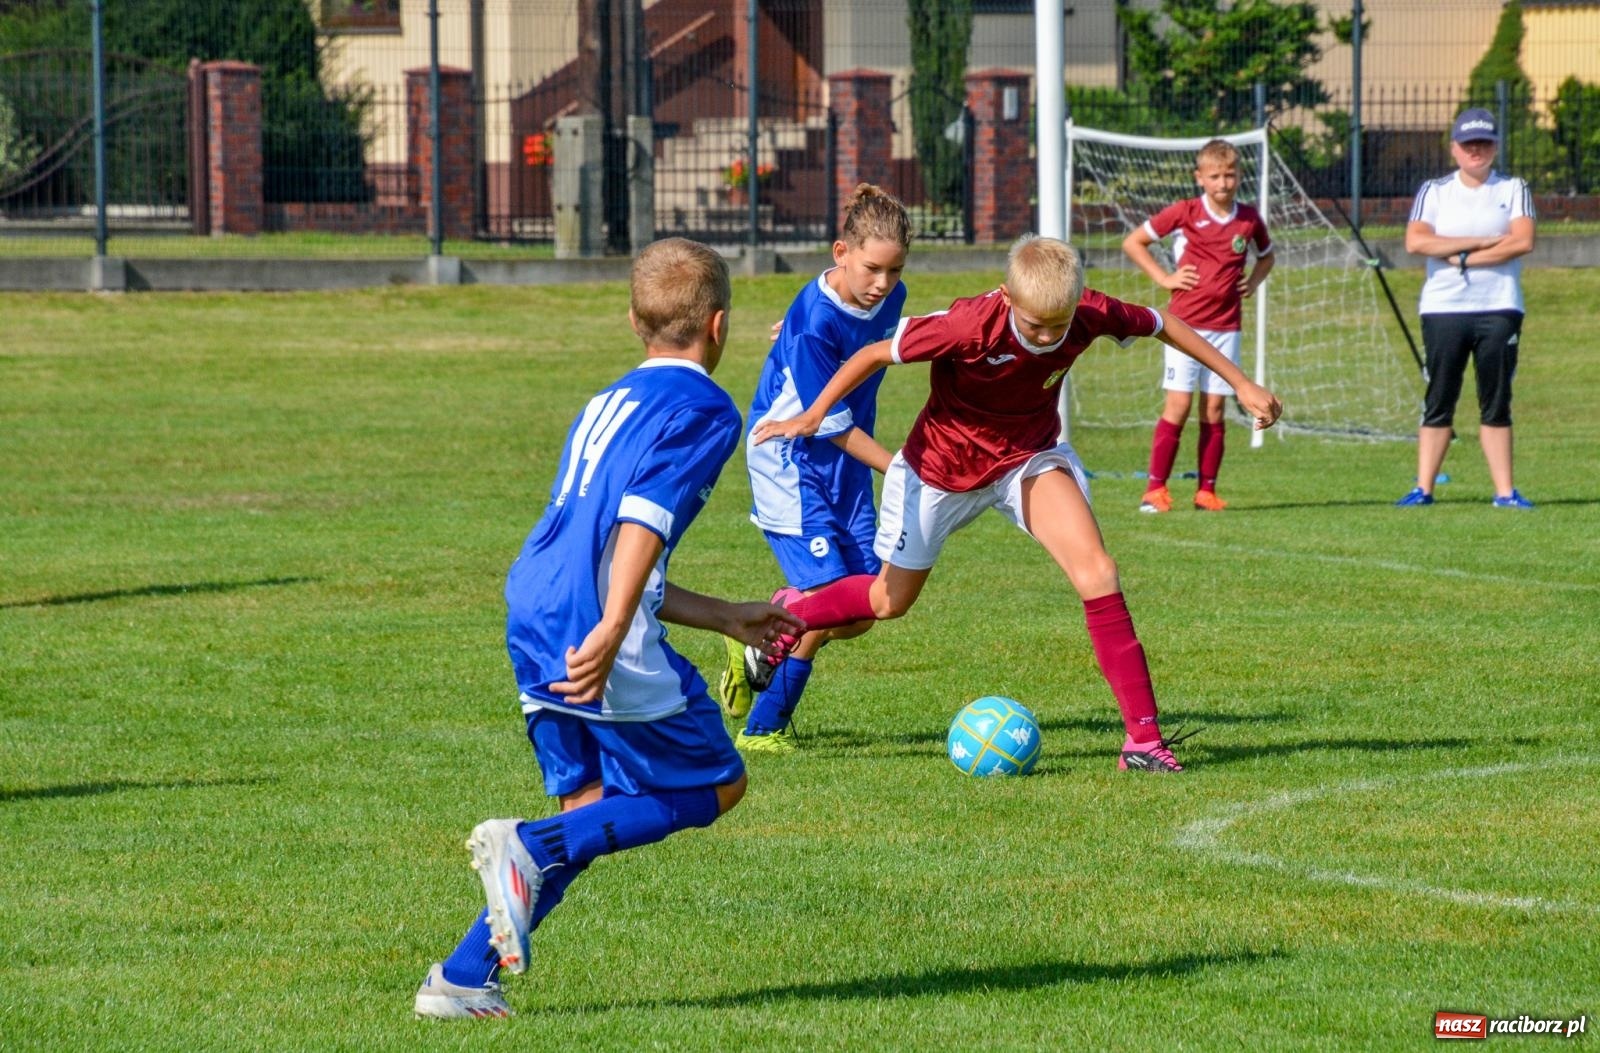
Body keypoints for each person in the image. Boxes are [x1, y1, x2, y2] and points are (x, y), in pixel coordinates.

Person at [414, 238, 804, 1019]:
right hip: (597, 619)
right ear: (719, 326)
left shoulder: (607, 400)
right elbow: (639, 523)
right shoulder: (705, 408)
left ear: (634, 321)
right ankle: (527, 844)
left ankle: (459, 978)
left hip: (535, 603)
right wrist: (617, 621)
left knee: (592, 808)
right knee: (718, 782)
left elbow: (601, 544)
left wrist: (724, 615)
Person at [752, 235, 1282, 773]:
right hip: (940, 472)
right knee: (888, 602)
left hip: (1027, 459)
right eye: (1035, 325)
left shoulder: (1089, 312)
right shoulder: (968, 324)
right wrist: (814, 416)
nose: (1048, 336)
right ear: (1007, 297)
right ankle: (786, 614)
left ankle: (1143, 742)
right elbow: (871, 354)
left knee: (1098, 572)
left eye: (1059, 324)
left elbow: (1163, 322)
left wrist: (1240, 382)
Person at [717, 184, 912, 752]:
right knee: (827, 597)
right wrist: (902, 469)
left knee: (865, 606)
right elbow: (830, 424)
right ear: (841, 253)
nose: (883, 283)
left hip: (845, 464)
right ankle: (763, 728)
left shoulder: (889, 298)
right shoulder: (813, 323)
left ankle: (772, 620)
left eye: (895, 271)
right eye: (872, 269)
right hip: (791, 460)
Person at [1121, 138, 1274, 514]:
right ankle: (1155, 490)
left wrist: (1253, 282)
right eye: (1215, 176)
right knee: (1178, 404)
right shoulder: (1185, 211)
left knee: (1215, 409)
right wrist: (1165, 278)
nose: (1223, 183)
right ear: (1199, 178)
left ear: (1239, 176)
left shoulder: (1248, 219)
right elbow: (1134, 242)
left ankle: (1206, 491)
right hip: (1184, 327)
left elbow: (1267, 257)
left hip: (1226, 326)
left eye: (1229, 175)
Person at [1395, 107, 1537, 509]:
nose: (1476, 150)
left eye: (1484, 143)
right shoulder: (1434, 190)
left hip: (1499, 307)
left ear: (1496, 147)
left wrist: (1459, 257)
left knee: (1496, 399)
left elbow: (1522, 241)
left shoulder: (1514, 188)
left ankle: (1505, 492)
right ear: (1454, 148)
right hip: (1443, 308)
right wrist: (1481, 242)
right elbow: (1417, 241)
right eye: (1469, 143)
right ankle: (1424, 489)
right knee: (1440, 396)